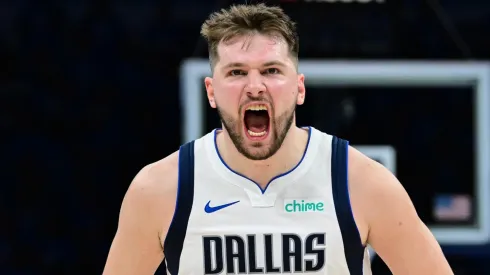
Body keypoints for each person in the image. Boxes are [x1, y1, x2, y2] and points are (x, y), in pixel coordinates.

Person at [102, 3, 453, 275]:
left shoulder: (361, 183)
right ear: (211, 91)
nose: (255, 86)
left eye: (271, 70)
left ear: (299, 88)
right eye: (236, 72)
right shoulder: (160, 189)